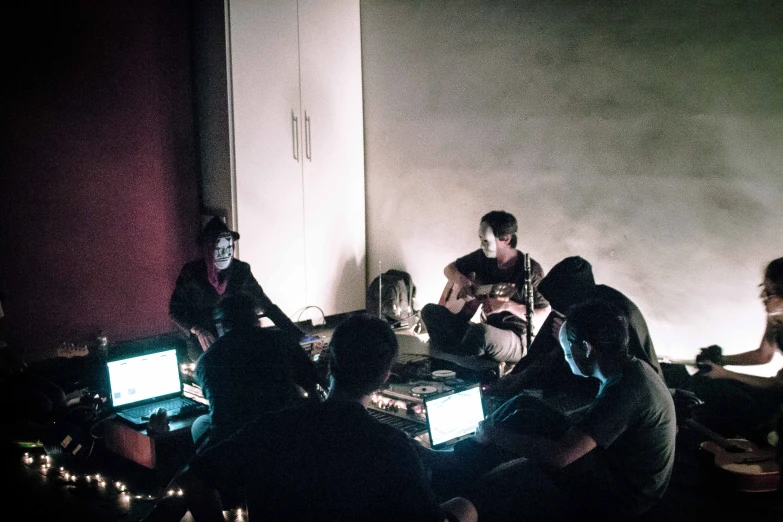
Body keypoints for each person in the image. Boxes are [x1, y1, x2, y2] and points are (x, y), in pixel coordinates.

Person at [141, 313, 477, 522]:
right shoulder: (392, 446)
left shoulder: (270, 428)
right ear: (385, 376)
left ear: (330, 362)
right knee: (465, 506)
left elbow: (190, 481)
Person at [422, 299, 676, 522]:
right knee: (526, 407)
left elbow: (562, 456)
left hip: (624, 497)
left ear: (586, 348)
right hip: (619, 471)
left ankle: (458, 500)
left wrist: (494, 434)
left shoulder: (627, 388)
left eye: (566, 350)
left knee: (510, 477)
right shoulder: (634, 370)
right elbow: (602, 421)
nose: (564, 357)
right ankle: (458, 459)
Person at [489, 255, 661, 411]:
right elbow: (542, 352)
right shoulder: (568, 307)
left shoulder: (615, 315)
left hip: (610, 391)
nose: (556, 312)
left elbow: (613, 372)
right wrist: (518, 376)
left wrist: (568, 343)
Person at [189, 292, 323, 450]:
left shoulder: (206, 362)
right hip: (288, 433)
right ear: (256, 320)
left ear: (222, 325)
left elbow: (220, 419)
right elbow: (312, 382)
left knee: (199, 423)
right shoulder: (282, 340)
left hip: (240, 445)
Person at [420, 210, 549, 366]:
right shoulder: (483, 257)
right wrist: (464, 282)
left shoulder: (531, 271)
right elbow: (449, 269)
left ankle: (455, 363)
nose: (482, 245)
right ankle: (454, 357)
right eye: (480, 239)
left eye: (486, 240)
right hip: (486, 328)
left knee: (480, 333)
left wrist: (507, 306)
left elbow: (543, 314)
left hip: (515, 337)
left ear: (506, 239)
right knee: (430, 312)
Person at [169, 216, 305, 361]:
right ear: (208, 248)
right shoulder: (191, 273)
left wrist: (297, 335)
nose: (225, 253)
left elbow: (266, 305)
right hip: (205, 346)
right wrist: (197, 329)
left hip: (238, 342)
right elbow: (175, 310)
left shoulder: (241, 270)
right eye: (219, 248)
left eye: (228, 248)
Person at [686, 256, 783, 440]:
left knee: (731, 399)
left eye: (769, 293)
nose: (762, 298)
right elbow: (763, 355)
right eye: (763, 289)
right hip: (776, 388)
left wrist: (724, 373)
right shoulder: (775, 317)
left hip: (779, 396)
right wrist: (720, 360)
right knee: (705, 383)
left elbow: (777, 384)